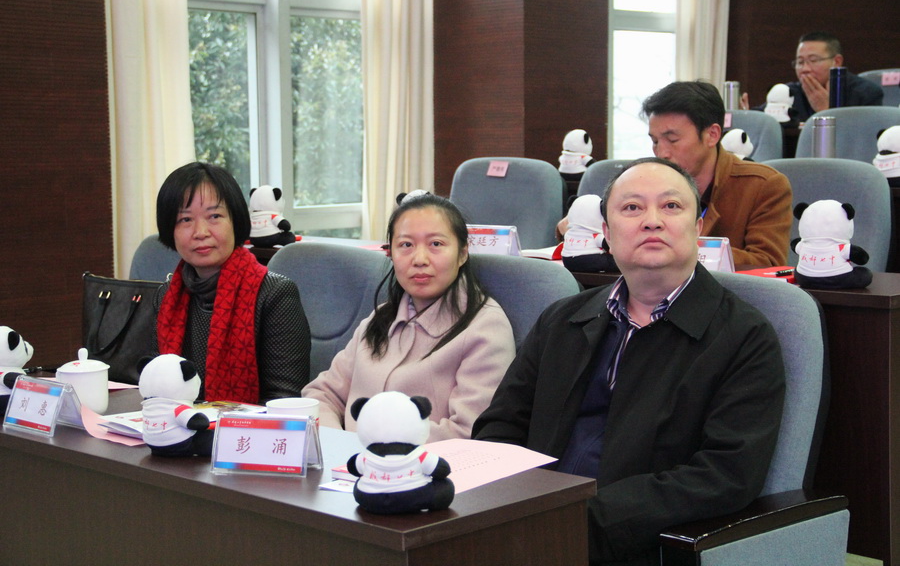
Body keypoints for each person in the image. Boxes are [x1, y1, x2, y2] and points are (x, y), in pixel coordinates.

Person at [473, 158, 786, 566]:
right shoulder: (563, 319)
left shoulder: (744, 337)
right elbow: (501, 425)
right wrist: (508, 507)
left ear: (698, 228)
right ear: (606, 233)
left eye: (671, 206)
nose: (652, 221)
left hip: (632, 543)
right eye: (632, 208)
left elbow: (726, 474)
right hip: (527, 526)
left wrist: (576, 522)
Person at [302, 194, 516, 442]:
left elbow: (468, 431)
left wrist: (376, 449)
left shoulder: (486, 327)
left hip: (429, 463)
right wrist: (339, 446)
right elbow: (322, 394)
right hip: (349, 461)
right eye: (406, 245)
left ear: (463, 253)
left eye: (436, 244)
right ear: (390, 253)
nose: (420, 259)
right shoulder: (381, 318)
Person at [558, 82, 792, 267]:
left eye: (672, 140)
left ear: (712, 135)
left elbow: (768, 263)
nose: (662, 152)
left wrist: (676, 247)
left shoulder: (763, 185)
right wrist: (580, 228)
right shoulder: (643, 181)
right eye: (655, 141)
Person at [151, 162, 310, 405]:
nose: (200, 232)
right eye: (185, 219)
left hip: (250, 428)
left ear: (236, 221)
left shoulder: (275, 295)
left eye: (214, 216)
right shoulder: (167, 296)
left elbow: (284, 402)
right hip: (178, 425)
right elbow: (154, 383)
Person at [740, 31, 884, 121]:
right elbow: (762, 119)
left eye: (813, 60)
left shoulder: (866, 92)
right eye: (800, 62)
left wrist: (826, 111)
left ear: (837, 62)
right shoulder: (789, 92)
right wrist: (746, 115)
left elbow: (862, 137)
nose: (805, 69)